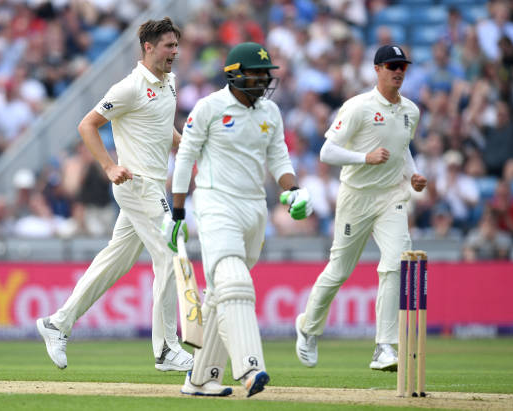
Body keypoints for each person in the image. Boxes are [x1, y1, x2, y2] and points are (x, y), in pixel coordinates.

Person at [36, 17, 194, 373]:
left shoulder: (169, 82)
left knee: (114, 262)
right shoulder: (129, 87)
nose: (175, 52)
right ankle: (166, 349)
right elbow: (86, 125)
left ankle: (57, 323)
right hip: (136, 184)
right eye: (168, 46)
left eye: (176, 45)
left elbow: (158, 122)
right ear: (148, 47)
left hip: (155, 185)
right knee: (171, 253)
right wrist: (109, 167)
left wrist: (181, 143)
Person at [163, 42, 313, 397]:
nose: (262, 79)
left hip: (254, 209)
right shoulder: (210, 107)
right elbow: (185, 159)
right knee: (234, 282)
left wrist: (292, 190)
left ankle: (200, 379)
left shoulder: (270, 112)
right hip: (216, 204)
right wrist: (179, 211)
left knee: (219, 294)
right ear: (234, 74)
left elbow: (279, 159)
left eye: (266, 73)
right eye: (255, 72)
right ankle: (250, 367)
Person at [294, 45, 427, 372]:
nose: (398, 72)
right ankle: (308, 328)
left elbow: (402, 149)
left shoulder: (411, 110)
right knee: (339, 269)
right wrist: (363, 158)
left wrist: (413, 175)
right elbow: (327, 152)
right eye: (392, 66)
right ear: (377, 69)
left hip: (392, 196)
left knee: (396, 262)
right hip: (357, 196)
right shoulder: (358, 107)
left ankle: (384, 346)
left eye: (402, 67)